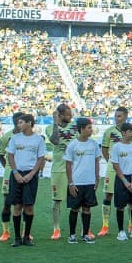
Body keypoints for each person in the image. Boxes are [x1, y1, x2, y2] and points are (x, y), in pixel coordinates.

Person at [6, 111, 46, 247]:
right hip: (17, 175)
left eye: (21, 122)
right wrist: (15, 172)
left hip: (30, 175)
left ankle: (27, 236)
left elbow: (41, 158)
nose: (19, 124)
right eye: (18, 122)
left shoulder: (38, 139)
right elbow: (10, 155)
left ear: (29, 123)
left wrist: (32, 173)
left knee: (29, 207)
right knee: (17, 206)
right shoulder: (15, 138)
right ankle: (17, 237)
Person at [64, 117, 102, 244]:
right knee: (74, 209)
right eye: (89, 128)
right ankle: (72, 235)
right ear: (81, 129)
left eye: (91, 127)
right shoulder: (73, 145)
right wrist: (70, 183)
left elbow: (97, 162)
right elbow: (68, 165)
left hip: (90, 182)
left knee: (87, 209)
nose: (91, 130)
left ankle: (85, 234)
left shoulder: (94, 144)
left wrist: (97, 178)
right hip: (77, 183)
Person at [47, 103, 80, 241]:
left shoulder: (75, 127)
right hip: (59, 169)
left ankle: (84, 229)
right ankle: (56, 229)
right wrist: (55, 123)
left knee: (79, 200)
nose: (70, 116)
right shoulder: (50, 128)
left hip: (76, 169)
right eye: (67, 114)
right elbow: (54, 140)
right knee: (57, 200)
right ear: (59, 116)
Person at [110, 122, 132, 241]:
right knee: (120, 206)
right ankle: (121, 231)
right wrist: (124, 181)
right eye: (130, 132)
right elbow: (115, 165)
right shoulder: (116, 147)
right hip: (121, 179)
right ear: (124, 133)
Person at [97, 107, 129, 237]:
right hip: (112, 168)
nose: (117, 118)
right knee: (108, 195)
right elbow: (104, 150)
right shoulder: (109, 132)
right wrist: (111, 162)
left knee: (128, 197)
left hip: (127, 168)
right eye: (115, 116)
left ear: (126, 117)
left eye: (119, 116)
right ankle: (105, 226)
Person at [0, 128, 15, 241]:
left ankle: (24, 232)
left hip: (24, 172)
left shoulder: (29, 137)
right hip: (9, 174)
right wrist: (8, 167)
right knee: (7, 203)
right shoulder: (6, 137)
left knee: (24, 204)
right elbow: (0, 155)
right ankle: (5, 231)